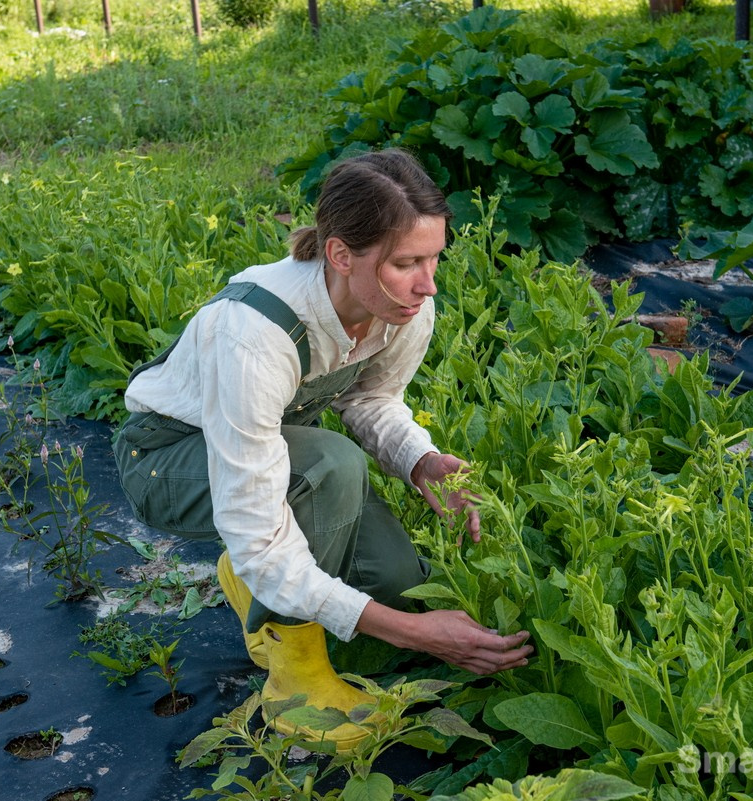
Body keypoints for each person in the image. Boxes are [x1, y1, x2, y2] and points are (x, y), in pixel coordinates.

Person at [113, 149, 532, 751]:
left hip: (281, 453)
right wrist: (417, 636)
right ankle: (293, 685)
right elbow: (257, 525)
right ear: (340, 254)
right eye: (407, 262)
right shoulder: (254, 335)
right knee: (332, 469)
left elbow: (370, 400)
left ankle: (264, 581)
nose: (428, 282)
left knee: (400, 586)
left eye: (435, 258)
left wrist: (420, 461)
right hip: (167, 459)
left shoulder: (404, 308)